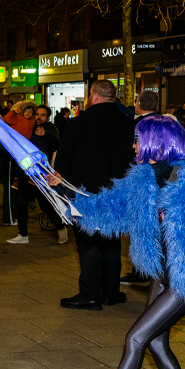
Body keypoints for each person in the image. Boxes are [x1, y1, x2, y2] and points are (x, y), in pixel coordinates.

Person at [66, 115, 185, 369]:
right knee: (156, 342)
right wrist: (67, 198)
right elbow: (108, 208)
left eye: (138, 140)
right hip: (163, 275)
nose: (134, 146)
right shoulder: (143, 179)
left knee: (136, 337)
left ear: (157, 144)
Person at [54, 80, 135, 311]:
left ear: (95, 95)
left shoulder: (79, 122)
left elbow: (64, 158)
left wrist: (62, 187)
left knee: (88, 243)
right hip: (116, 192)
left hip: (85, 193)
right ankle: (111, 292)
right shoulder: (127, 123)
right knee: (111, 241)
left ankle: (89, 294)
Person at [7, 105, 66, 245]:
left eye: (43, 115)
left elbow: (58, 144)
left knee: (46, 204)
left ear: (48, 117)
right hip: (26, 173)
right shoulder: (30, 127)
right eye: (37, 114)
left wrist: (45, 134)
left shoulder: (51, 129)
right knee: (21, 203)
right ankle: (22, 234)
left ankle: (61, 227)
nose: (39, 117)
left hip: (42, 175)